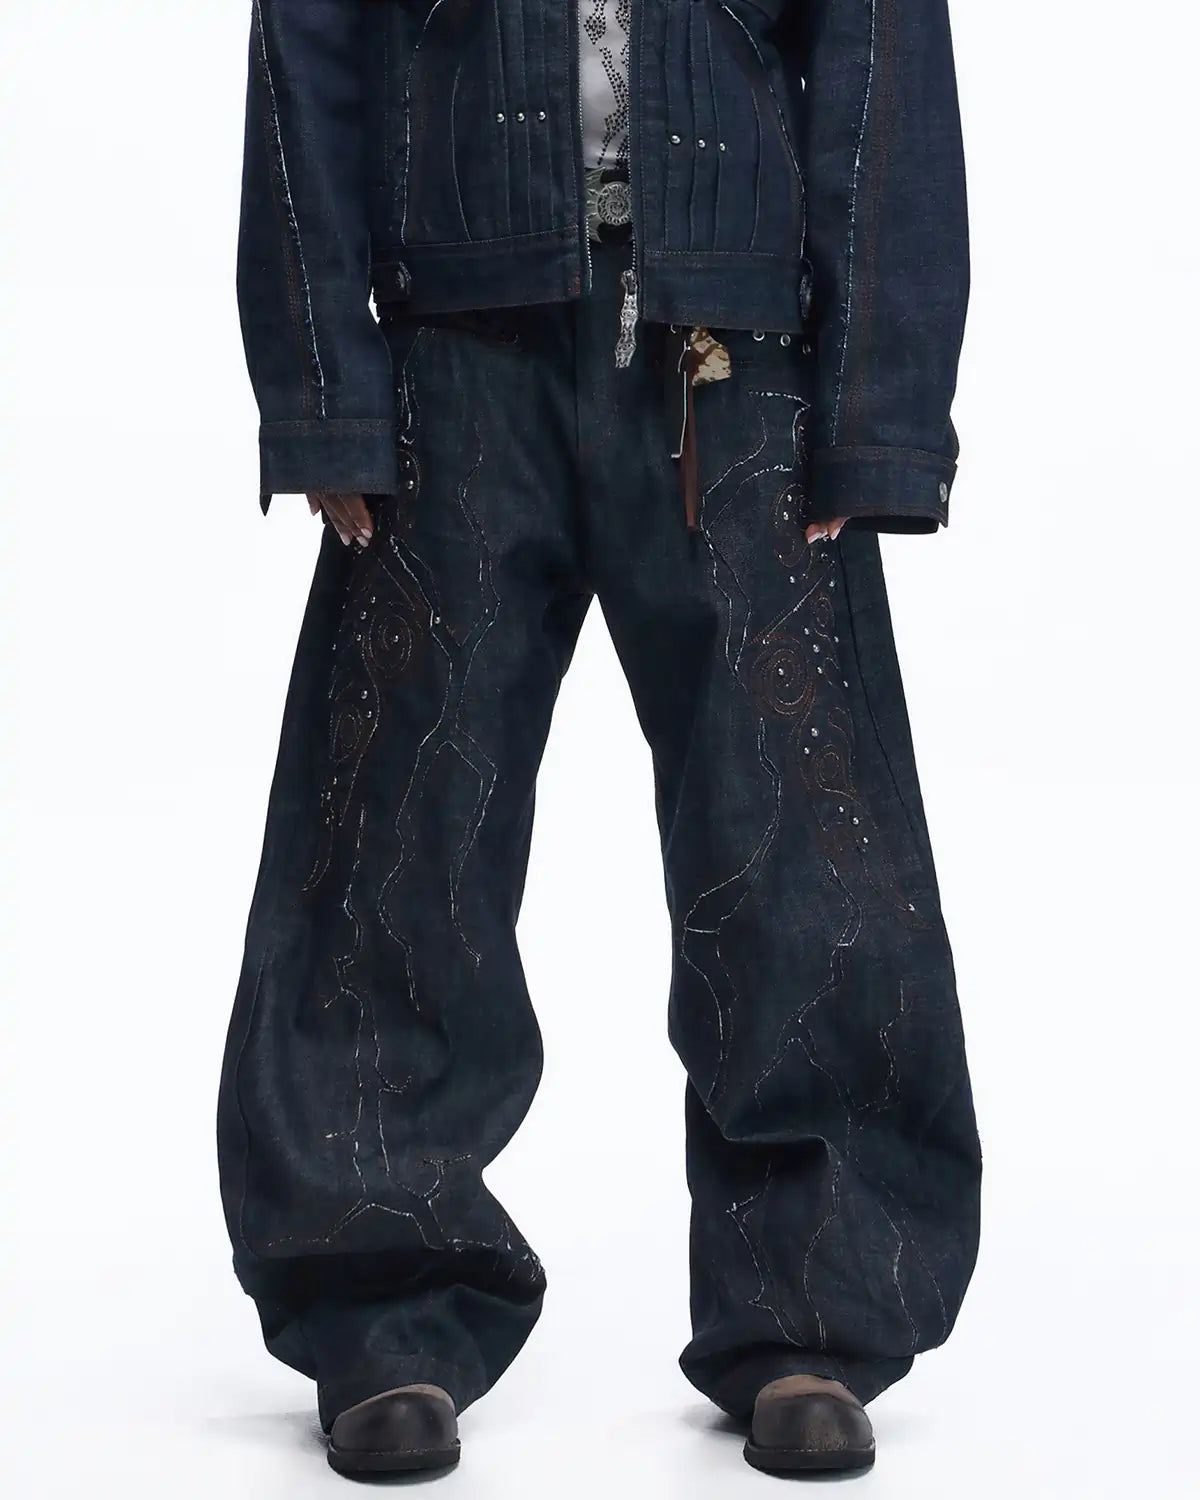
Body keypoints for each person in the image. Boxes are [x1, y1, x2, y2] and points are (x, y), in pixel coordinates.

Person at [216, 0, 982, 1478]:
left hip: (737, 361)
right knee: (395, 833)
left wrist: (878, 406)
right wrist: (323, 392)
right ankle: (380, 1306)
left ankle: (817, 1313)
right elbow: (306, 36)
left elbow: (882, 41)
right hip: (454, 351)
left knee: (804, 846)